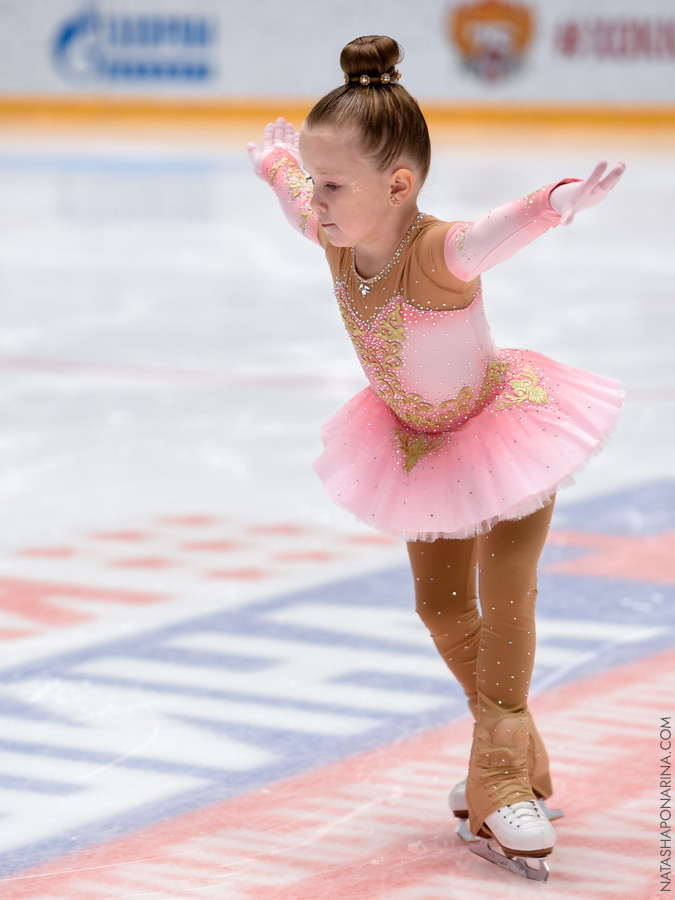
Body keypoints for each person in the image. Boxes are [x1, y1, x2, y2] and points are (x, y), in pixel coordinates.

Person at [247, 34, 624, 875]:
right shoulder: (338, 235)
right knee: (443, 611)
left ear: (399, 185)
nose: (319, 200)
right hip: (419, 449)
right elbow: (292, 193)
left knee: (505, 598)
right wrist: (277, 161)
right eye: (318, 183)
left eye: (332, 185)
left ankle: (498, 780)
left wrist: (560, 199)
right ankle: (518, 752)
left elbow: (504, 228)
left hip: (504, 437)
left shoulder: (439, 252)